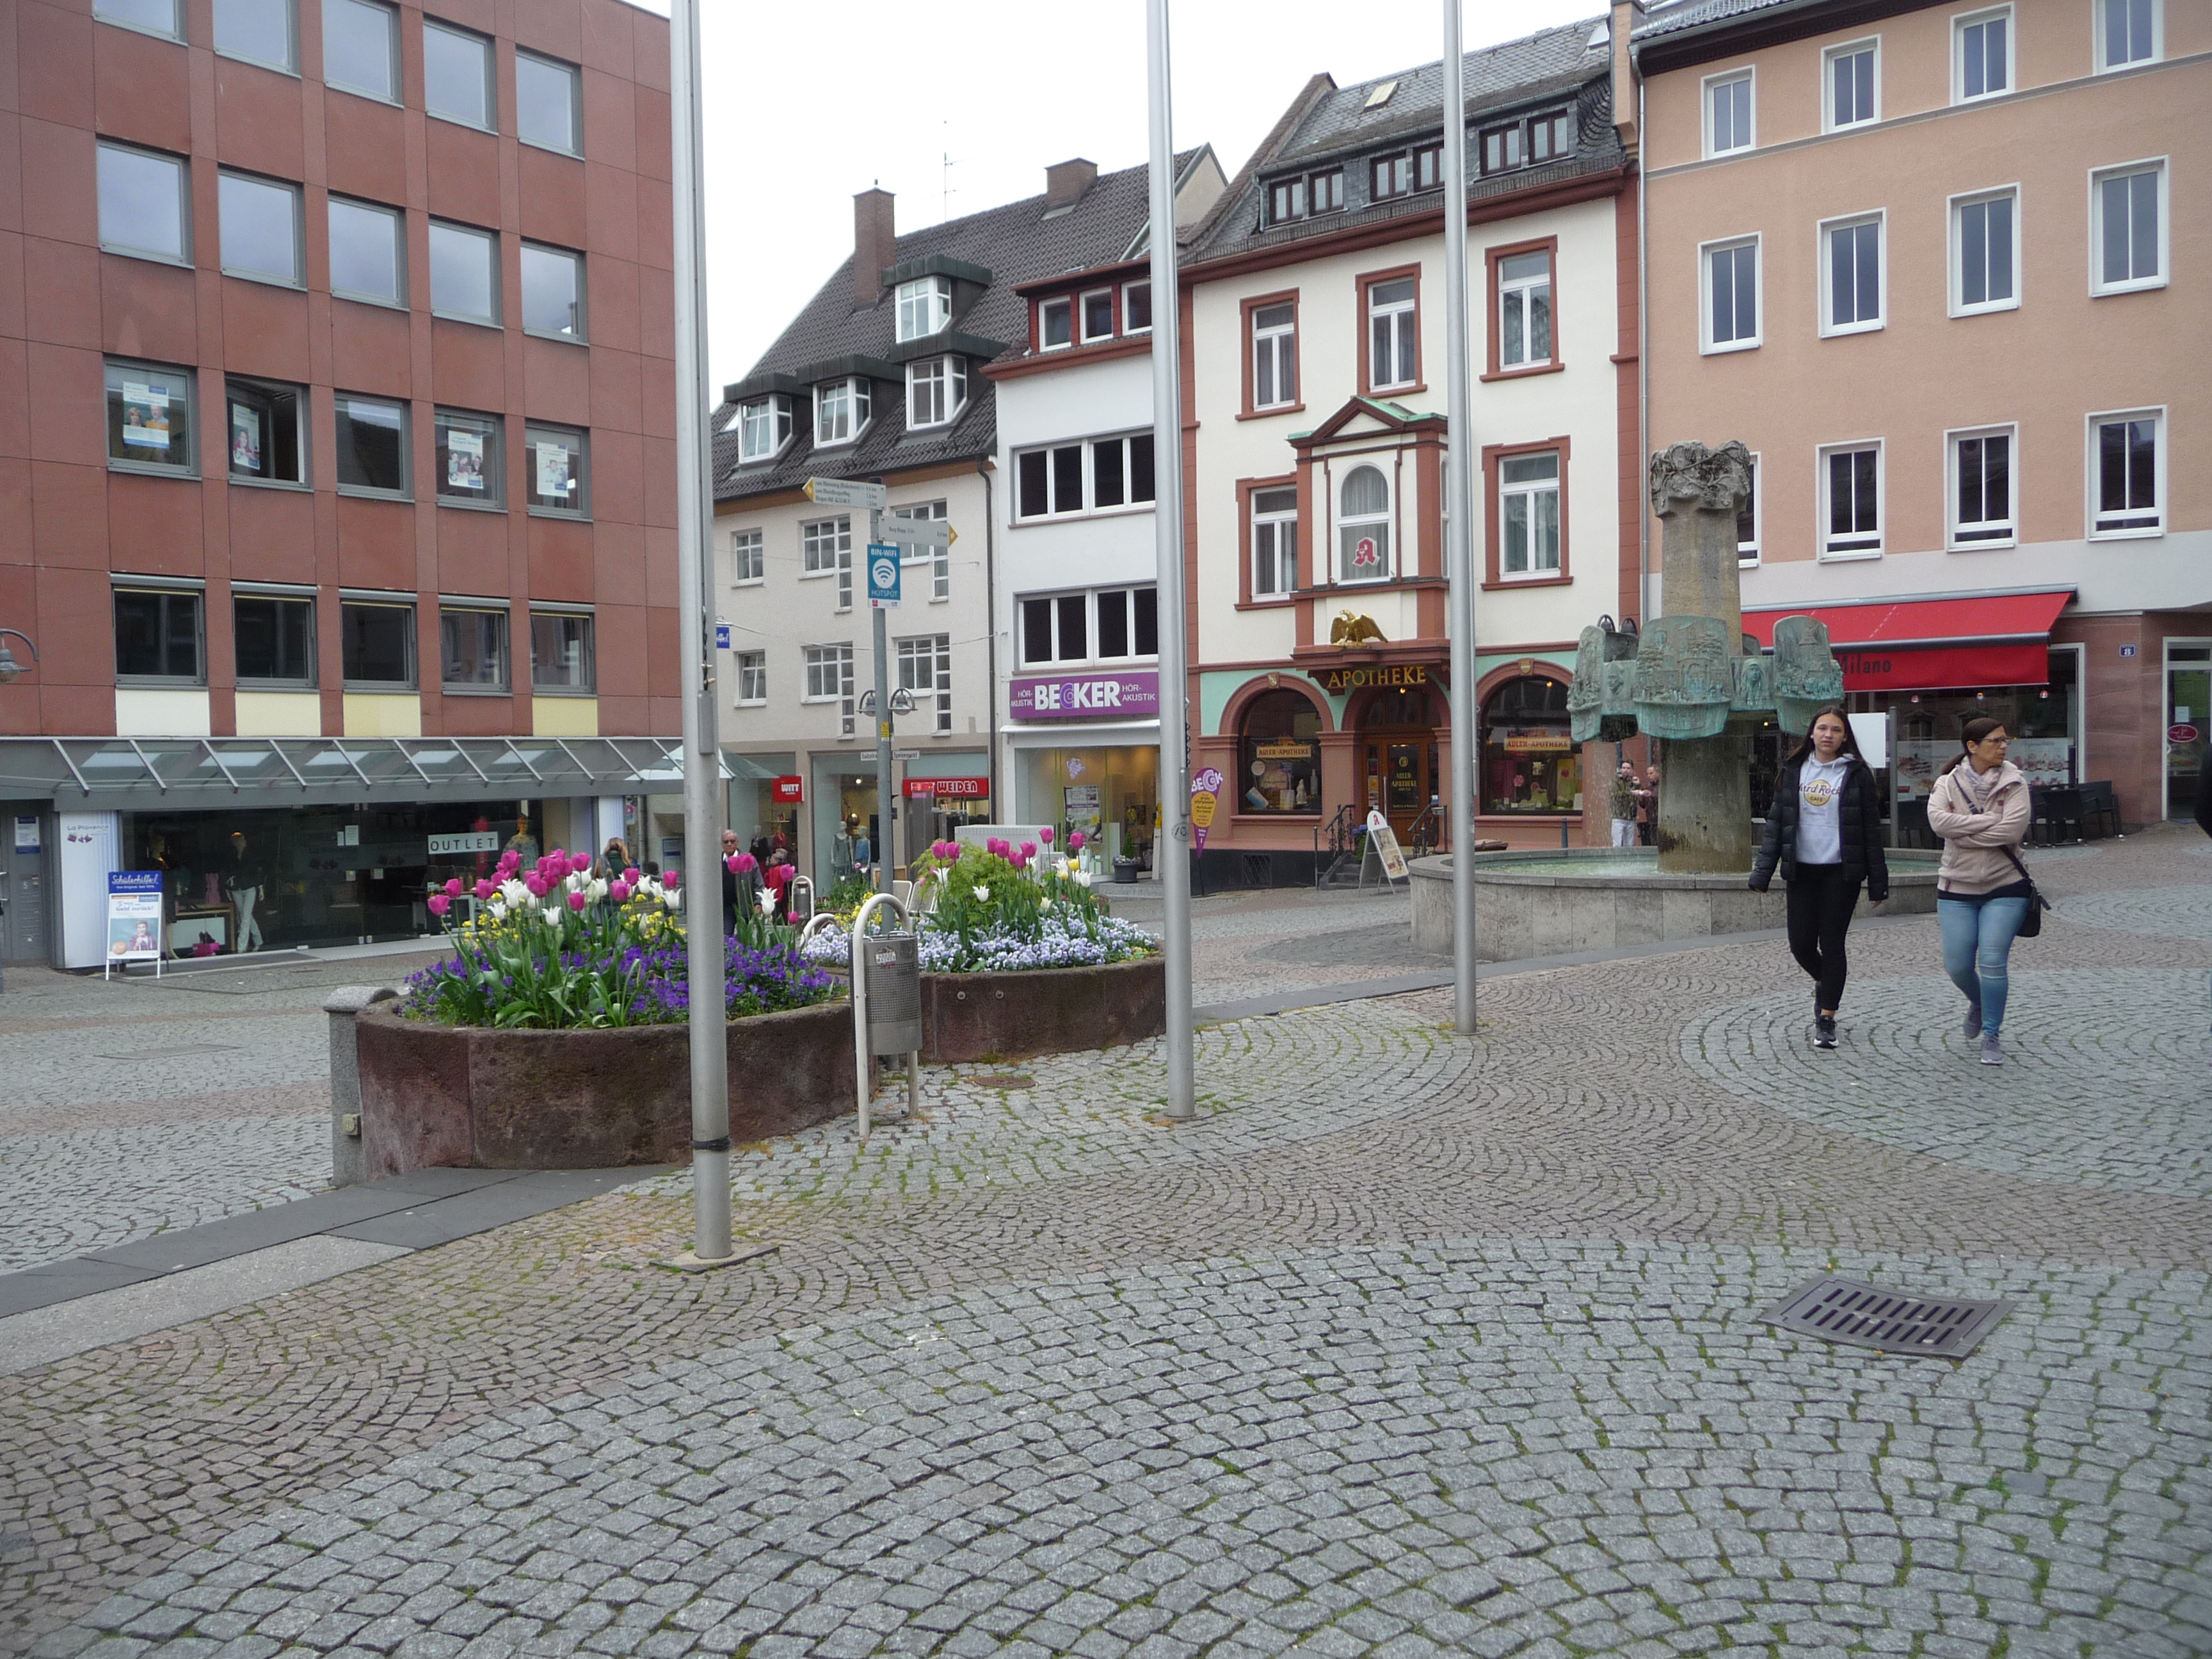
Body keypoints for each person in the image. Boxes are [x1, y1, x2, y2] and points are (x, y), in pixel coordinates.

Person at [1749, 707, 1889, 1051]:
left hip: (1841, 871)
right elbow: (1777, 825)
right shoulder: (1793, 769)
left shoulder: (1857, 774)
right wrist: (1762, 872)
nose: (1828, 734)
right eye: (1823, 728)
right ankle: (1826, 983)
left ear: (1845, 737)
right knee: (1800, 944)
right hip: (1802, 869)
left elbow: (1871, 832)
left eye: (1836, 730)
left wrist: (1878, 882)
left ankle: (1826, 1018)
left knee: (1833, 943)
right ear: (1811, 733)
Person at [1925, 716, 2032, 1066]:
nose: (2004, 746)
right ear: (1972, 746)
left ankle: (1991, 1034)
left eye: (2006, 740)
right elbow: (1939, 823)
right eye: (1996, 741)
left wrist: (1964, 833)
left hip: (2006, 885)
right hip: (1956, 886)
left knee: (1992, 960)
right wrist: (1988, 821)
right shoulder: (1947, 783)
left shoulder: (2015, 782)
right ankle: (1980, 1001)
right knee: (1957, 966)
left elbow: (2012, 831)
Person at [1608, 760, 1639, 848]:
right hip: (1619, 817)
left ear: (1632, 770)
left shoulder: (1633, 782)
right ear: (1621, 769)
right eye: (1624, 768)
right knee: (1617, 844)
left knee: (1629, 845)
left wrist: (1638, 785)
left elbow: (1639, 795)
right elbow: (1615, 795)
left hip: (1631, 817)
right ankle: (1616, 857)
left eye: (1628, 768)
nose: (1626, 770)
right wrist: (1631, 792)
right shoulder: (1615, 782)